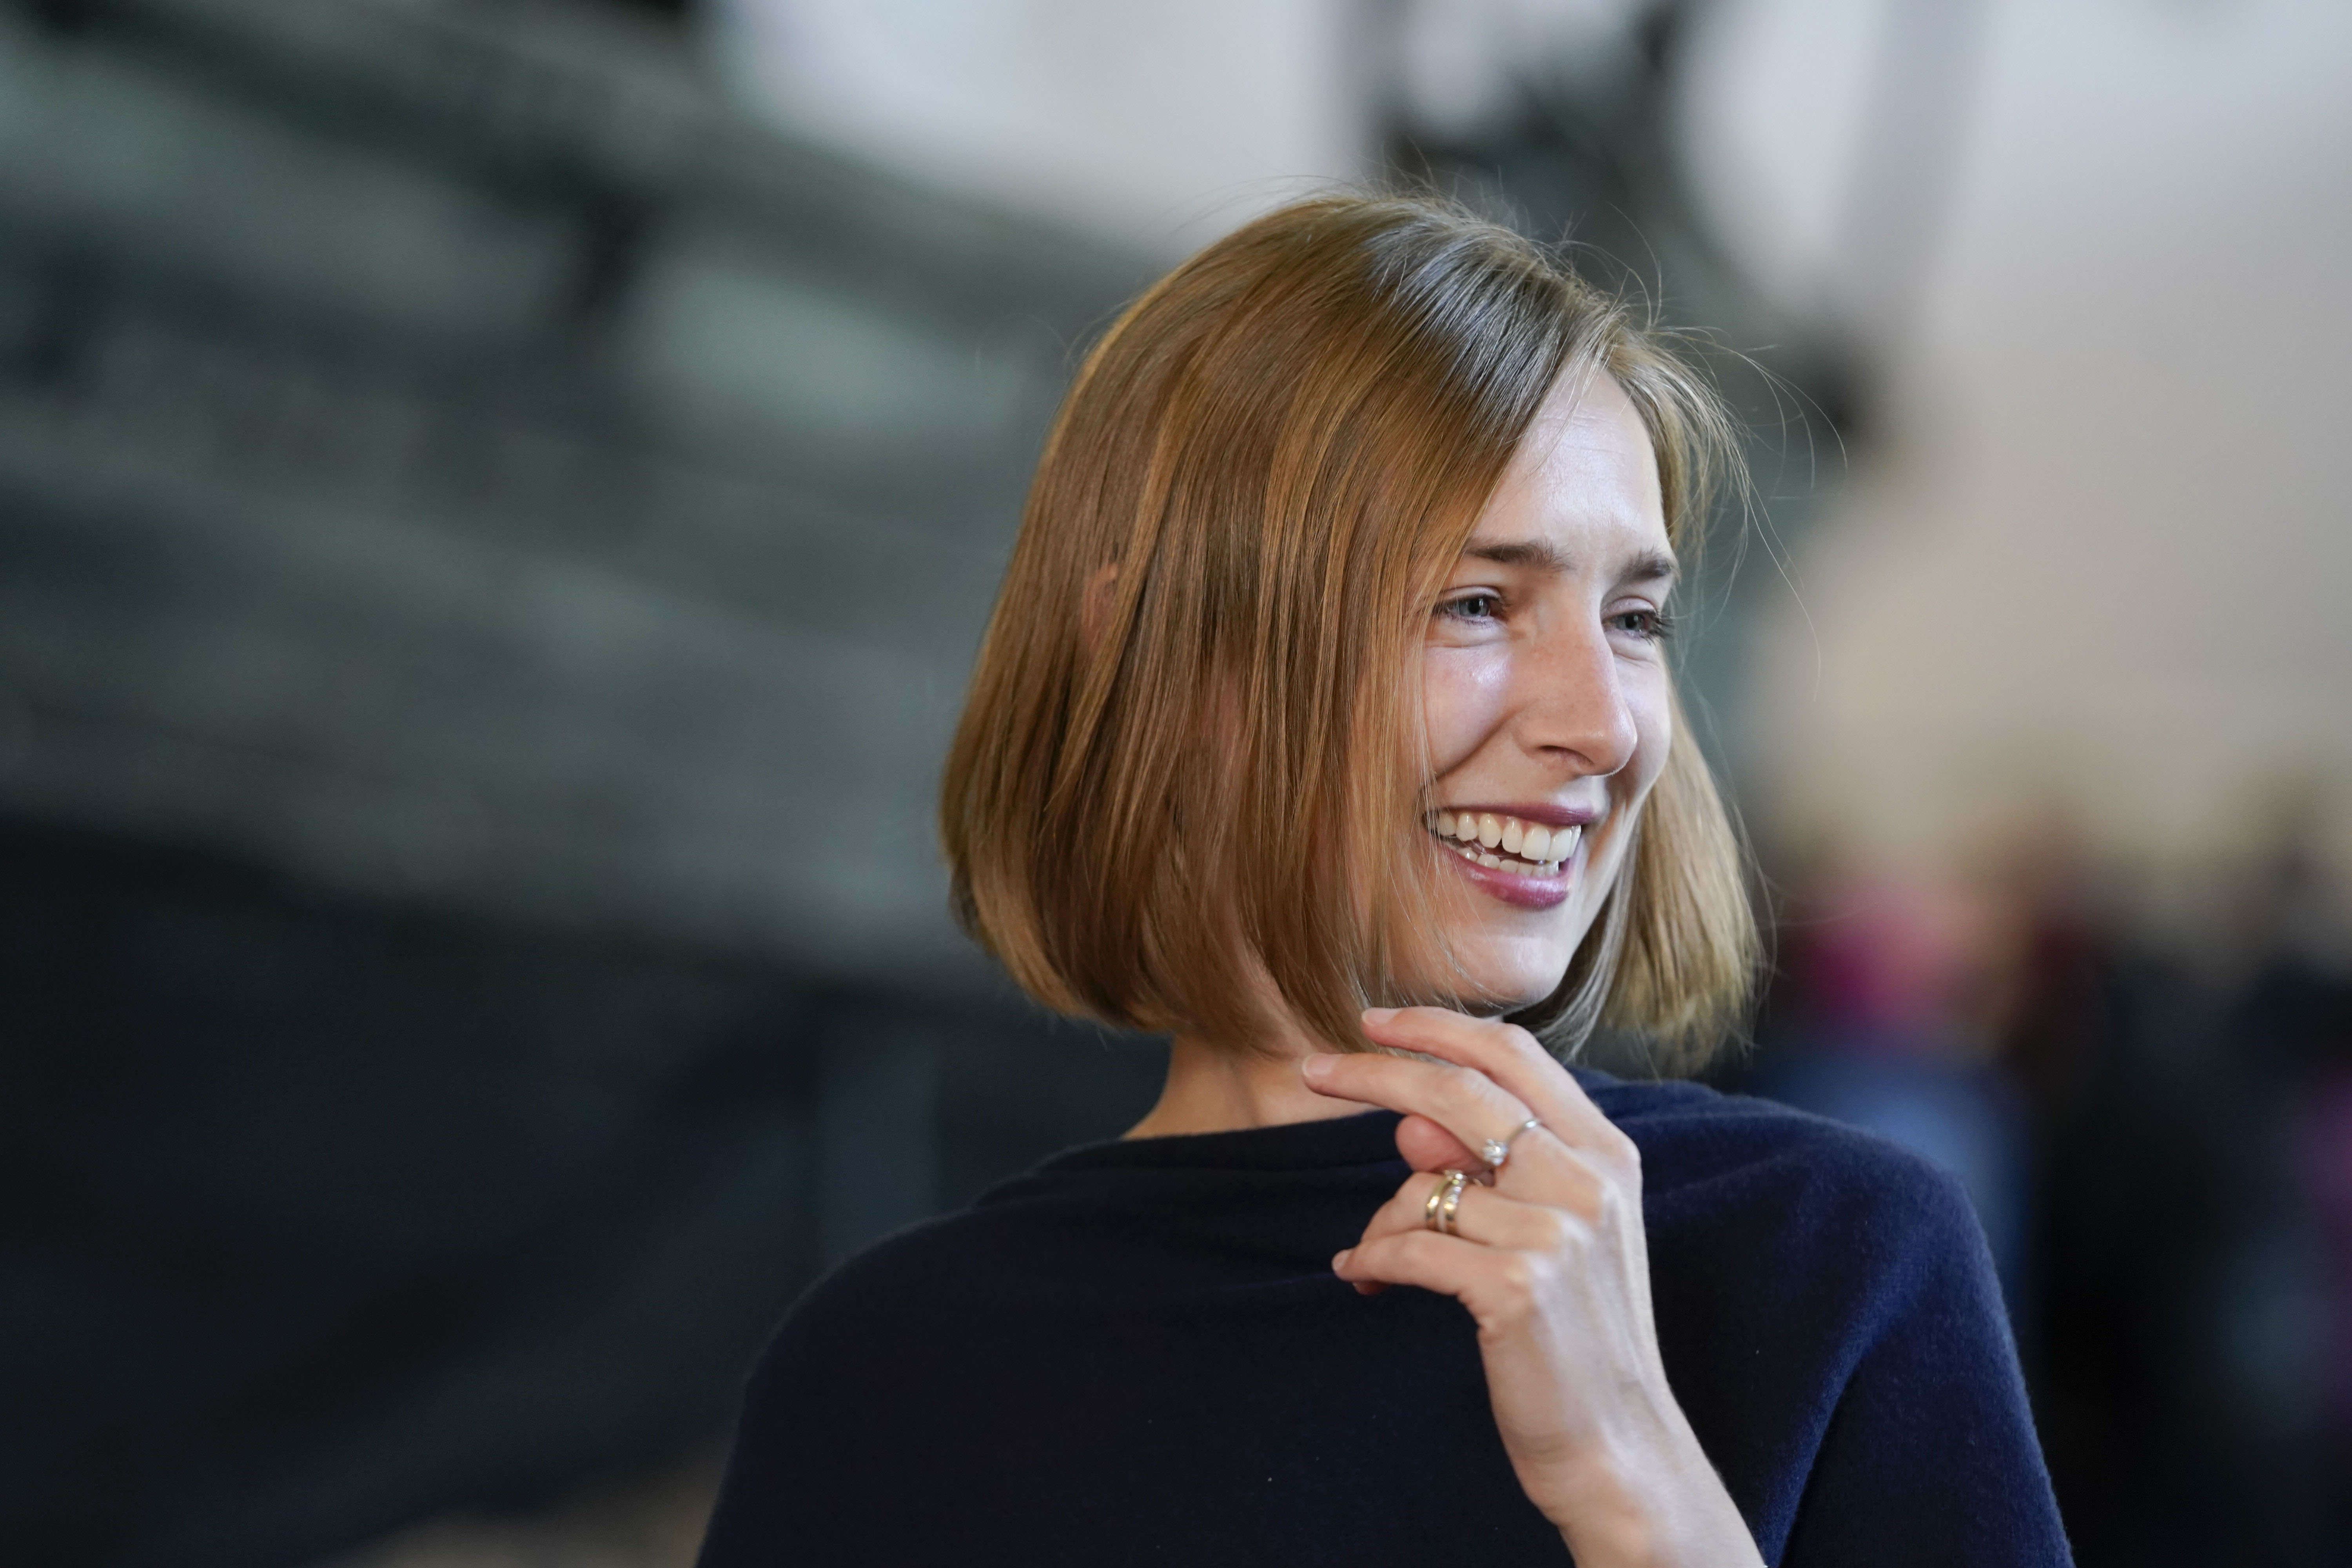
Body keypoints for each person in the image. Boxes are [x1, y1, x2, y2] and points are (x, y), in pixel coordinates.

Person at [695, 194, 2070, 1566]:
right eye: (1477, 604)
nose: (1603, 726)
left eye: (1634, 618)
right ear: (1159, 653)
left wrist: (1636, 1479)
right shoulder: (882, 1379)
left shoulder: (1834, 1261)